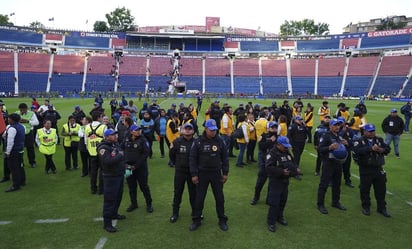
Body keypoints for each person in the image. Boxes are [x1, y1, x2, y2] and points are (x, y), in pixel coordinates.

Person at [189, 119, 229, 231]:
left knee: (220, 198)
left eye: (214, 130)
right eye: (211, 130)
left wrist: (225, 173)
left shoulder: (220, 141)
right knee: (199, 198)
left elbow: (225, 158)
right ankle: (196, 220)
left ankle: (222, 220)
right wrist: (194, 174)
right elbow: (192, 159)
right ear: (206, 129)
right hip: (202, 174)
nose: (213, 132)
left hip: (216, 173)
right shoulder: (198, 142)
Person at [353, 123, 391, 217]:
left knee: (381, 189)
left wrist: (381, 150)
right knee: (365, 189)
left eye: (373, 131)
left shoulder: (379, 139)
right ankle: (366, 206)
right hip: (366, 169)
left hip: (378, 168)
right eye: (369, 131)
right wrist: (370, 148)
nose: (371, 133)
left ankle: (382, 208)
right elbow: (357, 151)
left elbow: (387, 148)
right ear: (365, 131)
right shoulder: (359, 140)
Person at [265, 136, 300, 232]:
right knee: (274, 202)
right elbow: (268, 168)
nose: (286, 148)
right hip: (276, 182)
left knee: (283, 200)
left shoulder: (286, 152)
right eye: (284, 146)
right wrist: (282, 172)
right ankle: (271, 221)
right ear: (278, 144)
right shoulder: (272, 154)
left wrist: (295, 169)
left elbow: (292, 162)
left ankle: (279, 217)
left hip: (285, 182)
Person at [317, 118, 349, 214]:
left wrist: (346, 144)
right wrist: (329, 147)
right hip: (328, 163)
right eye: (335, 125)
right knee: (324, 184)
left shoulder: (339, 137)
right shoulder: (326, 136)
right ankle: (320, 204)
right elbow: (320, 148)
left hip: (337, 164)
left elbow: (343, 149)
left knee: (337, 184)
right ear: (330, 126)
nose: (337, 127)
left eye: (338, 125)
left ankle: (335, 202)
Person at [97, 129, 126, 233]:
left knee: (118, 196)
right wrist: (120, 155)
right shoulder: (103, 148)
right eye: (113, 135)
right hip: (110, 177)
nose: (115, 136)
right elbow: (107, 161)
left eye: (115, 134)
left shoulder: (115, 145)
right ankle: (107, 223)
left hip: (119, 175)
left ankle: (114, 213)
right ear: (107, 136)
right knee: (109, 200)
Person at [169, 123, 196, 223]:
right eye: (186, 129)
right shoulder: (177, 142)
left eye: (190, 129)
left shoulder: (196, 142)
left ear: (193, 131)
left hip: (192, 172)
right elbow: (171, 155)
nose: (188, 131)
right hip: (180, 171)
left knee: (193, 193)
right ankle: (175, 213)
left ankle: (195, 212)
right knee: (177, 193)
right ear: (182, 130)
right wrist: (177, 164)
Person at [123, 124, 153, 213]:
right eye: (136, 130)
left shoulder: (143, 140)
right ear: (131, 131)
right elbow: (121, 150)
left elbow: (145, 154)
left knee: (144, 186)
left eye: (139, 130)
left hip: (140, 168)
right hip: (128, 167)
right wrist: (124, 163)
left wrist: (135, 166)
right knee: (132, 187)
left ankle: (149, 204)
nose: (139, 131)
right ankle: (134, 203)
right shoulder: (126, 139)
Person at [251, 121, 278, 205]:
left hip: (273, 164)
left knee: (272, 184)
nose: (274, 130)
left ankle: (269, 199)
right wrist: (270, 141)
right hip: (264, 163)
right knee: (259, 183)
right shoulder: (263, 136)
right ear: (268, 128)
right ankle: (256, 197)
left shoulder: (279, 138)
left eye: (275, 128)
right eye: (272, 128)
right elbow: (261, 147)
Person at [84, 112, 107, 194]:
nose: (102, 118)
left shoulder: (87, 127)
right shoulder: (103, 127)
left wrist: (89, 149)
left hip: (92, 152)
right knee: (102, 171)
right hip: (101, 152)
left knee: (93, 171)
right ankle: (101, 189)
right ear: (98, 118)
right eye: (101, 117)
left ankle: (93, 188)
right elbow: (106, 139)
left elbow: (86, 141)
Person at [3, 113, 25, 192]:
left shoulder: (12, 128)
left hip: (14, 151)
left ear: (12, 119)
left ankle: (16, 185)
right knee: (20, 166)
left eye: (9, 118)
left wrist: (7, 152)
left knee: (14, 168)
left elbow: (10, 142)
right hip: (20, 149)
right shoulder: (22, 126)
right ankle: (22, 181)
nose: (7, 119)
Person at [16, 103, 39, 168]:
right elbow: (12, 121)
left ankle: (32, 162)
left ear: (26, 109)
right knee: (20, 149)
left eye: (23, 110)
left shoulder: (31, 113)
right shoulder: (17, 113)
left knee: (30, 148)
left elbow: (37, 123)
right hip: (19, 133)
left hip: (29, 133)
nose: (22, 112)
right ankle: (21, 162)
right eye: (21, 110)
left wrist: (27, 121)